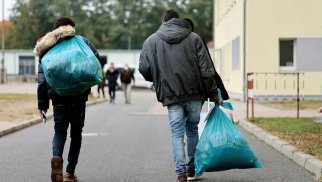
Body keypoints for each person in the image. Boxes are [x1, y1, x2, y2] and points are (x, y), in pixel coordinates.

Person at [139, 10, 221, 182]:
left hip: (171, 95)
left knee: (177, 134)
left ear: (164, 22)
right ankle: (192, 168)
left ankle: (181, 174)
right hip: (194, 94)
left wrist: (158, 78)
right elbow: (207, 70)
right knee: (192, 130)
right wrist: (214, 94)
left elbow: (144, 68)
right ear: (178, 20)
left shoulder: (151, 41)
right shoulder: (194, 38)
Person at [35, 17, 99, 182]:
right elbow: (95, 60)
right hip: (79, 95)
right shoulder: (82, 42)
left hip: (58, 97)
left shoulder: (48, 47)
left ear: (55, 30)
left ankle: (57, 157)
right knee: (76, 134)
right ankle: (70, 172)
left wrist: (42, 104)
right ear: (72, 28)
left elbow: (42, 79)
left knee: (59, 132)